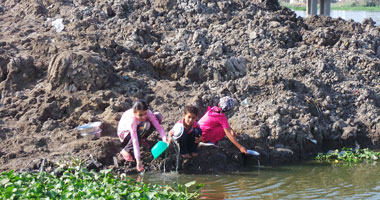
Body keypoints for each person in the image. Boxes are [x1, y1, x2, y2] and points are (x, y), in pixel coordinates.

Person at [117, 100, 168, 172]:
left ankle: (141, 138)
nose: (144, 116)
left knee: (158, 116)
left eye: (145, 113)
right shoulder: (132, 120)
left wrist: (164, 139)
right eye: (140, 115)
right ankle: (126, 150)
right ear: (135, 113)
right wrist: (139, 161)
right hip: (125, 134)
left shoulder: (148, 113)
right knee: (146, 125)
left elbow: (158, 127)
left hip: (139, 128)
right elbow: (134, 140)